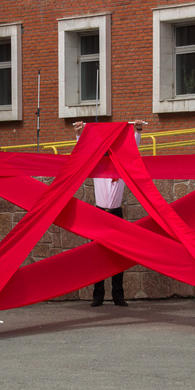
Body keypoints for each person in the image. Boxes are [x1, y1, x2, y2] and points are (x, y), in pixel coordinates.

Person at [73, 120, 146, 307]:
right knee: (98, 256)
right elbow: (83, 152)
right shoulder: (96, 168)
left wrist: (137, 130)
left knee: (118, 255)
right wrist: (80, 133)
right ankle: (98, 297)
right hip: (99, 215)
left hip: (116, 214)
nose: (108, 155)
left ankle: (118, 296)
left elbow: (132, 151)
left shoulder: (122, 168)